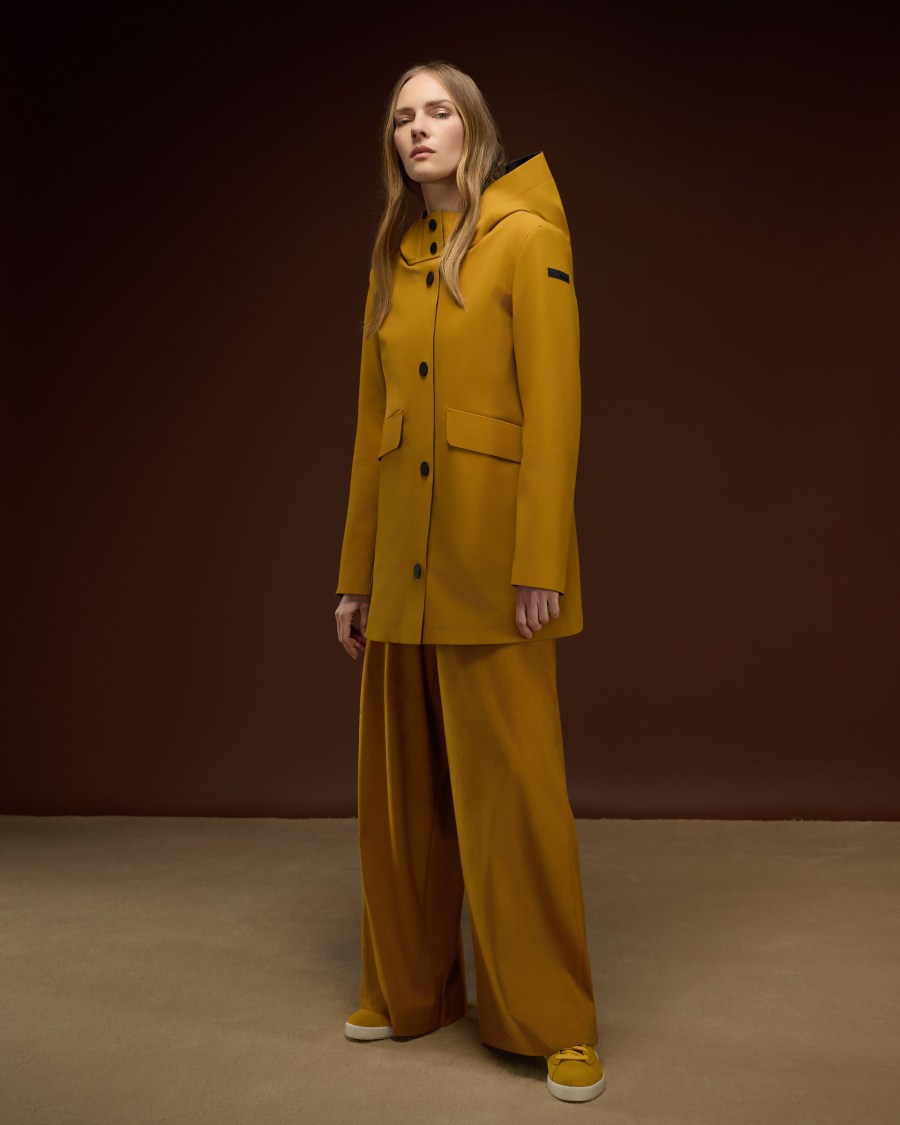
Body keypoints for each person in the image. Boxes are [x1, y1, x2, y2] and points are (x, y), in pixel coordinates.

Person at [333, 59, 606, 1104]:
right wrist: (353, 579)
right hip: (398, 569)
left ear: (473, 128)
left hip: (495, 568)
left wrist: (542, 561)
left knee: (514, 806)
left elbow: (556, 409)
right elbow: (372, 432)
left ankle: (555, 1019)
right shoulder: (392, 260)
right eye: (403, 116)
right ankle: (412, 990)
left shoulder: (529, 241)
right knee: (400, 802)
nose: (418, 129)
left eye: (438, 111)